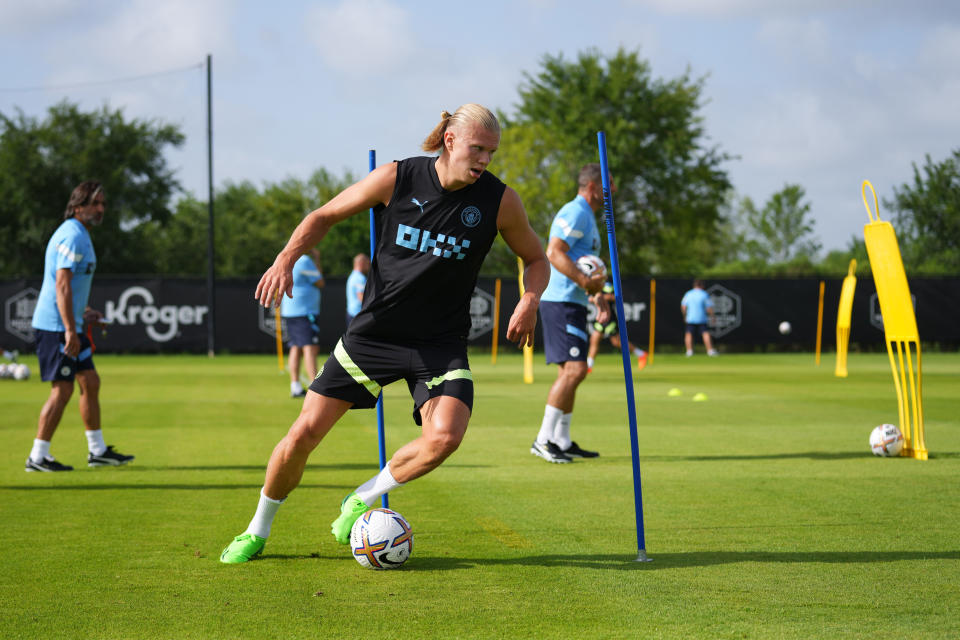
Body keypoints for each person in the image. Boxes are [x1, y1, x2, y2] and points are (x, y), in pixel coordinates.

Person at [220, 103, 549, 563]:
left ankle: (362, 498)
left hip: (440, 345)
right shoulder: (398, 177)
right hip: (375, 335)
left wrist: (530, 299)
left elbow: (537, 258)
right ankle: (257, 529)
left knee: (446, 437)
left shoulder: (500, 201)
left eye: (491, 152)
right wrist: (285, 258)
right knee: (302, 436)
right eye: (478, 149)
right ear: (450, 142)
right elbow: (324, 215)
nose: (485, 161)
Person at [26, 181, 134, 472]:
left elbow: (69, 286)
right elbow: (61, 284)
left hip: (69, 324)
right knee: (62, 390)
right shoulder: (71, 235)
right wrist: (70, 330)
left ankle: (97, 451)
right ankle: (37, 457)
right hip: (56, 328)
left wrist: (85, 313)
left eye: (103, 203)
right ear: (77, 206)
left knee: (90, 382)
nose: (100, 209)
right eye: (95, 203)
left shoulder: (81, 234)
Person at [531, 163, 610, 465]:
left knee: (571, 373)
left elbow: (585, 264)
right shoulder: (576, 211)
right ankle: (542, 440)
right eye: (608, 185)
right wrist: (585, 282)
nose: (612, 191)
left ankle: (561, 439)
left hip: (573, 300)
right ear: (592, 187)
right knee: (575, 370)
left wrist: (596, 293)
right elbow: (554, 252)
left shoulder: (588, 216)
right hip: (560, 300)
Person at [280, 247, 325, 397]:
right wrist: (317, 258)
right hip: (304, 311)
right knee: (309, 348)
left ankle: (295, 386)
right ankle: (315, 389)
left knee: (296, 347)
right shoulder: (305, 261)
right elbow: (319, 282)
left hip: (290, 310)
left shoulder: (285, 260)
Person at [586, 281, 646, 373]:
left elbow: (613, 297)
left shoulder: (606, 285)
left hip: (609, 318)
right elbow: (590, 297)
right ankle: (589, 365)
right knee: (594, 339)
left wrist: (600, 297)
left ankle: (641, 354)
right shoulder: (595, 284)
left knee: (616, 342)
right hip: (601, 317)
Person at [681, 278, 717, 356]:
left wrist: (685, 316)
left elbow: (683, 306)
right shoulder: (704, 294)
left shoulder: (688, 294)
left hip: (690, 318)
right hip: (701, 318)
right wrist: (713, 316)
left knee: (689, 334)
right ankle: (710, 351)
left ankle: (689, 351)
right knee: (705, 333)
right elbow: (709, 307)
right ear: (702, 285)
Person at [344, 252, 370, 326]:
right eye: (368, 263)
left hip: (352, 314)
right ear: (362, 263)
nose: (369, 266)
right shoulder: (360, 278)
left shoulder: (352, 276)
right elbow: (362, 297)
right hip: (357, 315)